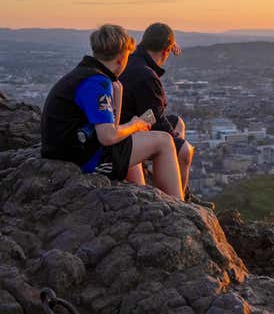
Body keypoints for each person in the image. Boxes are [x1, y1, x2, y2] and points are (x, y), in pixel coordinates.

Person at [41, 24, 183, 199]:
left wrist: (118, 94)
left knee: (129, 140)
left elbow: (110, 127)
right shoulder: (97, 83)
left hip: (67, 151)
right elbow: (107, 136)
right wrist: (134, 124)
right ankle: (178, 202)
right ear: (121, 58)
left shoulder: (86, 74)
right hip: (84, 159)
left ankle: (142, 195)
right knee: (164, 141)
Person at [119, 23, 197, 200]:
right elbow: (154, 117)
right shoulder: (146, 75)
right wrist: (175, 137)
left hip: (129, 121)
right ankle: (179, 200)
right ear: (166, 50)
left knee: (178, 123)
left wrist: (168, 46)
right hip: (127, 133)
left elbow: (149, 113)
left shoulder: (132, 58)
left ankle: (166, 173)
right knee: (185, 151)